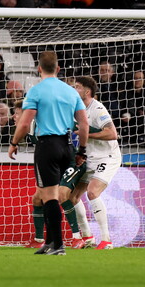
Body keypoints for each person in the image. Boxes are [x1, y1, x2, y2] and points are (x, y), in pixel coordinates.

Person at [8, 51, 88, 255]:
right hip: (67, 145)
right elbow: (84, 124)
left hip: (47, 146)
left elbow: (24, 123)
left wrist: (14, 142)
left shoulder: (36, 91)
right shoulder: (71, 91)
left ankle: (58, 245)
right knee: (50, 195)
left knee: (49, 197)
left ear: (39, 69)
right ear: (58, 69)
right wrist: (82, 151)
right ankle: (50, 243)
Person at [63, 76, 122, 250]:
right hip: (89, 157)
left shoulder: (97, 109)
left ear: (87, 92)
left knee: (93, 192)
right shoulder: (75, 109)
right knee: (72, 196)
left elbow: (112, 133)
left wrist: (86, 134)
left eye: (77, 87)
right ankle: (88, 237)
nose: (74, 89)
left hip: (107, 157)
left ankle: (106, 240)